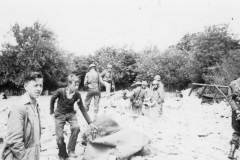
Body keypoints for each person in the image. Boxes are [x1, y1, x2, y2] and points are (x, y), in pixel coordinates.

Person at [50, 74, 95, 160]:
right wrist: (51, 111)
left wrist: (90, 122)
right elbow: (52, 99)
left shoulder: (77, 94)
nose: (77, 87)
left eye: (78, 84)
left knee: (76, 127)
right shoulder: (61, 91)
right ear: (69, 84)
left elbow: (82, 108)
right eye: (75, 84)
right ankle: (62, 153)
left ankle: (71, 149)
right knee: (59, 137)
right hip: (59, 114)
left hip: (70, 113)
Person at [1, 72, 43, 160]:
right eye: (35, 85)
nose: (39, 89)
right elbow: (15, 141)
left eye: (41, 85)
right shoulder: (19, 107)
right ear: (26, 86)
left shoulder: (36, 106)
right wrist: (24, 157)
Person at [227, 78, 240, 159]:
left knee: (237, 132)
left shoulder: (233, 83)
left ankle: (231, 153)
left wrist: (237, 110)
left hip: (236, 112)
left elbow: (230, 99)